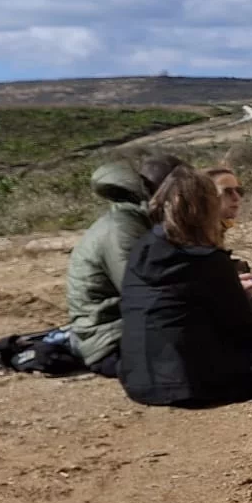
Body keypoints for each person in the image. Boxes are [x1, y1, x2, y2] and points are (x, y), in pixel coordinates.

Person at [119, 167, 252, 407]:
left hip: (138, 380)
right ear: (207, 208)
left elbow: (177, 303)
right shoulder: (207, 259)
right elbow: (247, 330)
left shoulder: (145, 247)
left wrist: (236, 290)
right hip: (196, 385)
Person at [64, 152, 181, 378]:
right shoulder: (123, 230)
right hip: (110, 343)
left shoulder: (135, 222)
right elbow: (144, 293)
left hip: (125, 332)